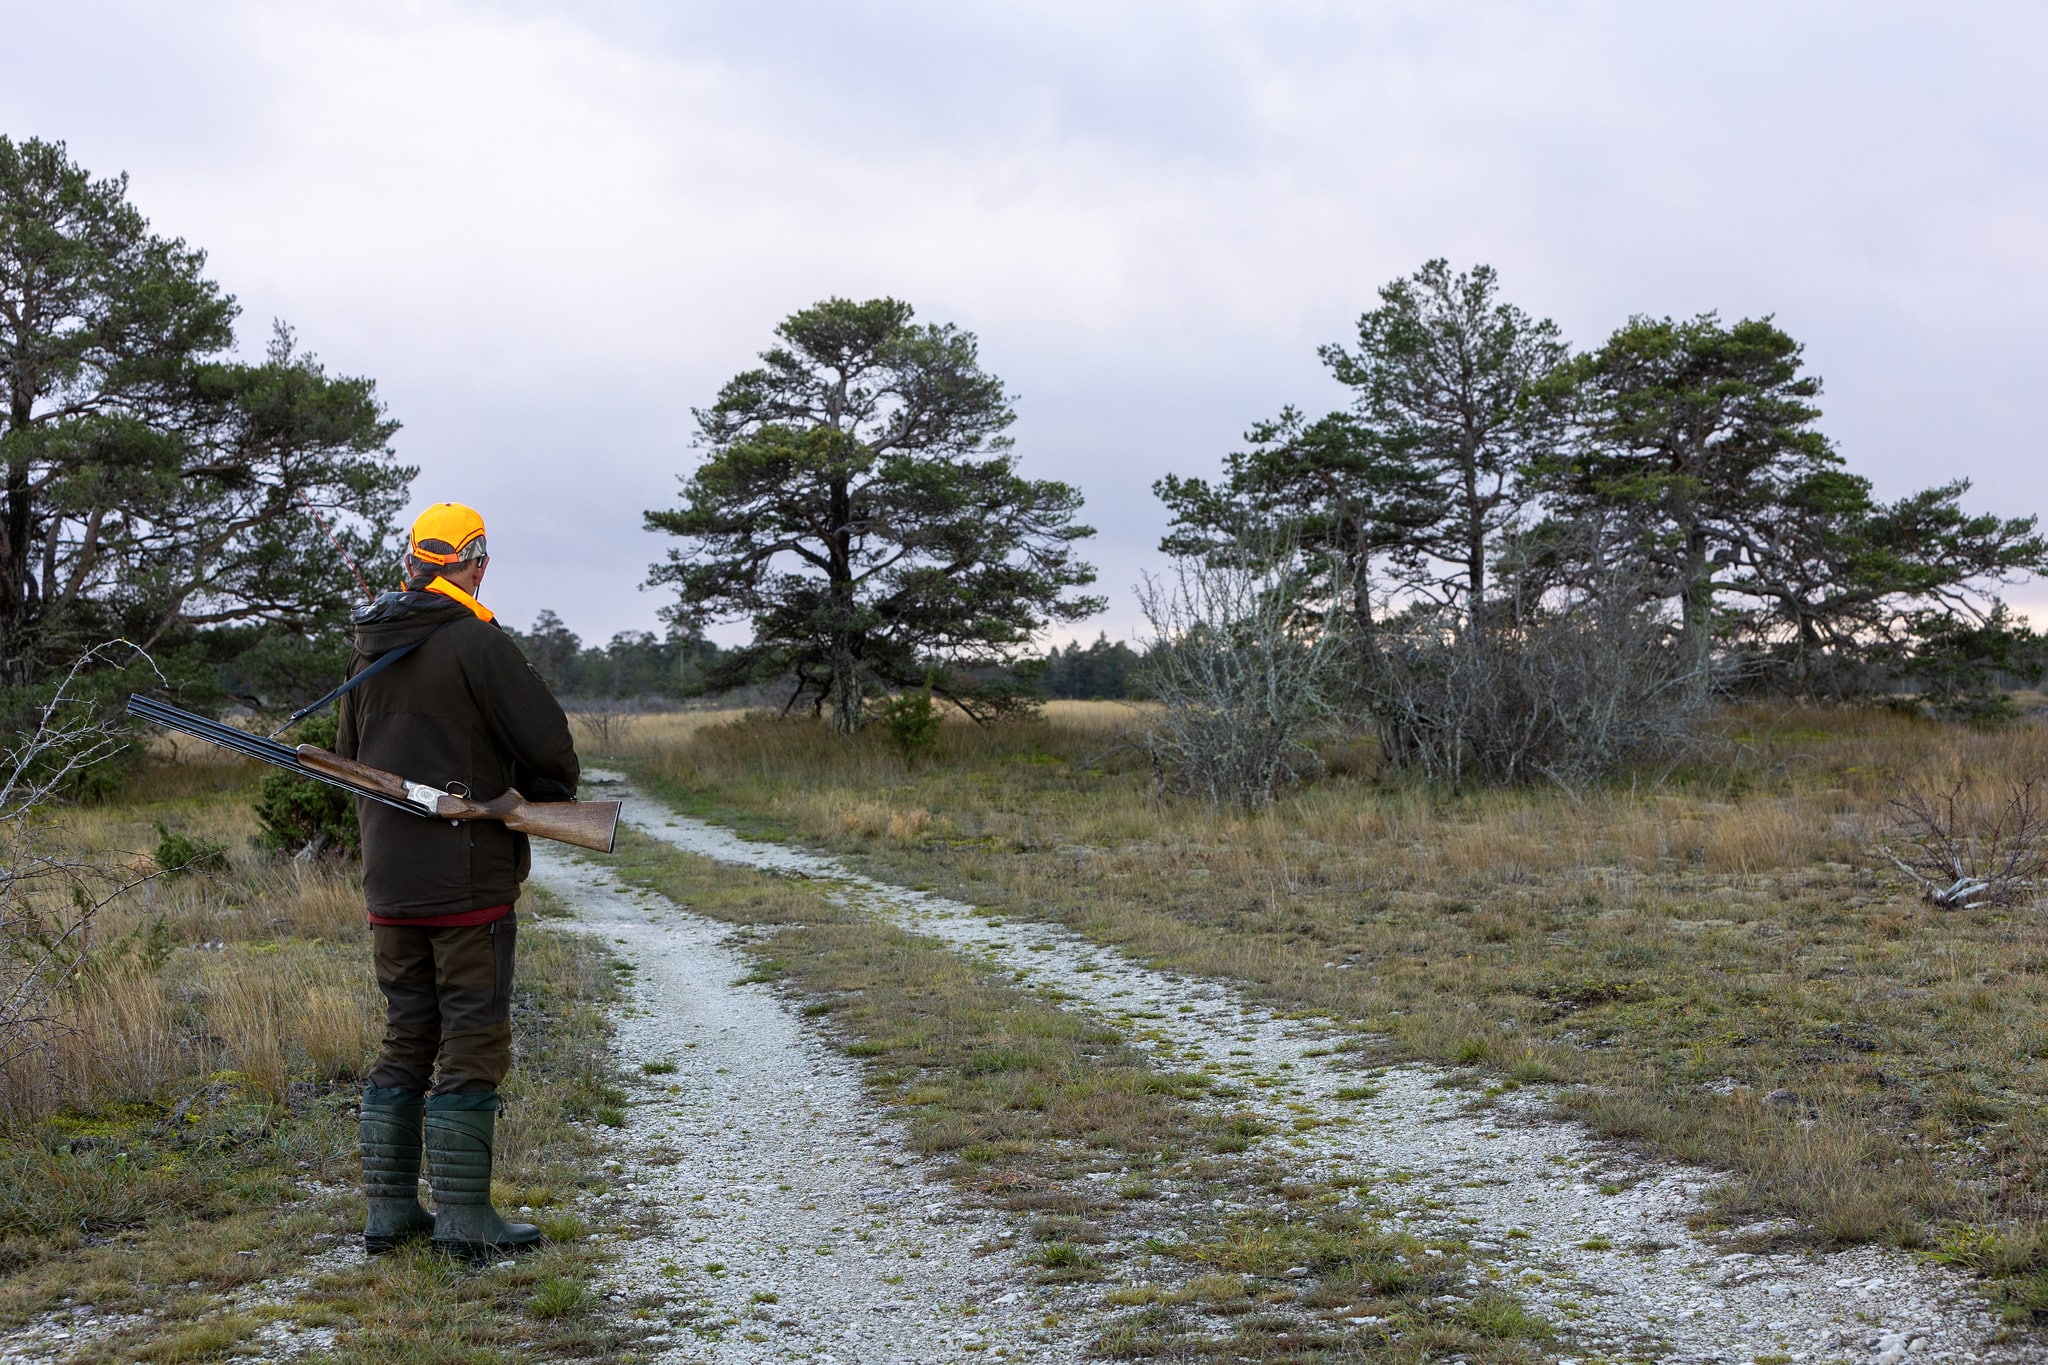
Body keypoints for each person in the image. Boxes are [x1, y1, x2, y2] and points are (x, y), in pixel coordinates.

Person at [337, 502, 580, 1258]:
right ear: (472, 561)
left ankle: (388, 1211)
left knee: (406, 1031)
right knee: (472, 1036)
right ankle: (465, 1221)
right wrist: (531, 794)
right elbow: (551, 747)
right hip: (468, 880)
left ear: (414, 560)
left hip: (389, 885)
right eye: (482, 559)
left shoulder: (365, 651)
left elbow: (348, 758)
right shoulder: (478, 643)